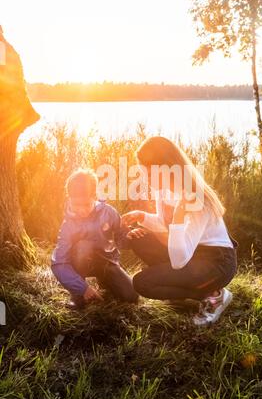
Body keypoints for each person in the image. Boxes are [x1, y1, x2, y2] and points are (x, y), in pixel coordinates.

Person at [122, 136, 238, 326]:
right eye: (144, 172)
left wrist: (178, 216)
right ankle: (185, 290)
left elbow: (179, 260)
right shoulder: (162, 190)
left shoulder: (196, 200)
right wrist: (141, 217)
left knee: (142, 283)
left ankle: (213, 296)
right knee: (139, 239)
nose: (146, 178)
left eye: (149, 173)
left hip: (217, 262)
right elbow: (162, 223)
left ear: (166, 168)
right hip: (192, 254)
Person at [51, 168, 138, 309]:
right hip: (81, 263)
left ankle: (105, 280)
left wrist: (128, 236)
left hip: (107, 262)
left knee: (131, 296)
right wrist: (83, 288)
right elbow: (59, 263)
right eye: (76, 205)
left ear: (95, 196)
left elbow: (121, 236)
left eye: (86, 204)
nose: (81, 210)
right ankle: (77, 296)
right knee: (83, 246)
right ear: (69, 199)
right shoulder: (68, 225)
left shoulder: (109, 212)